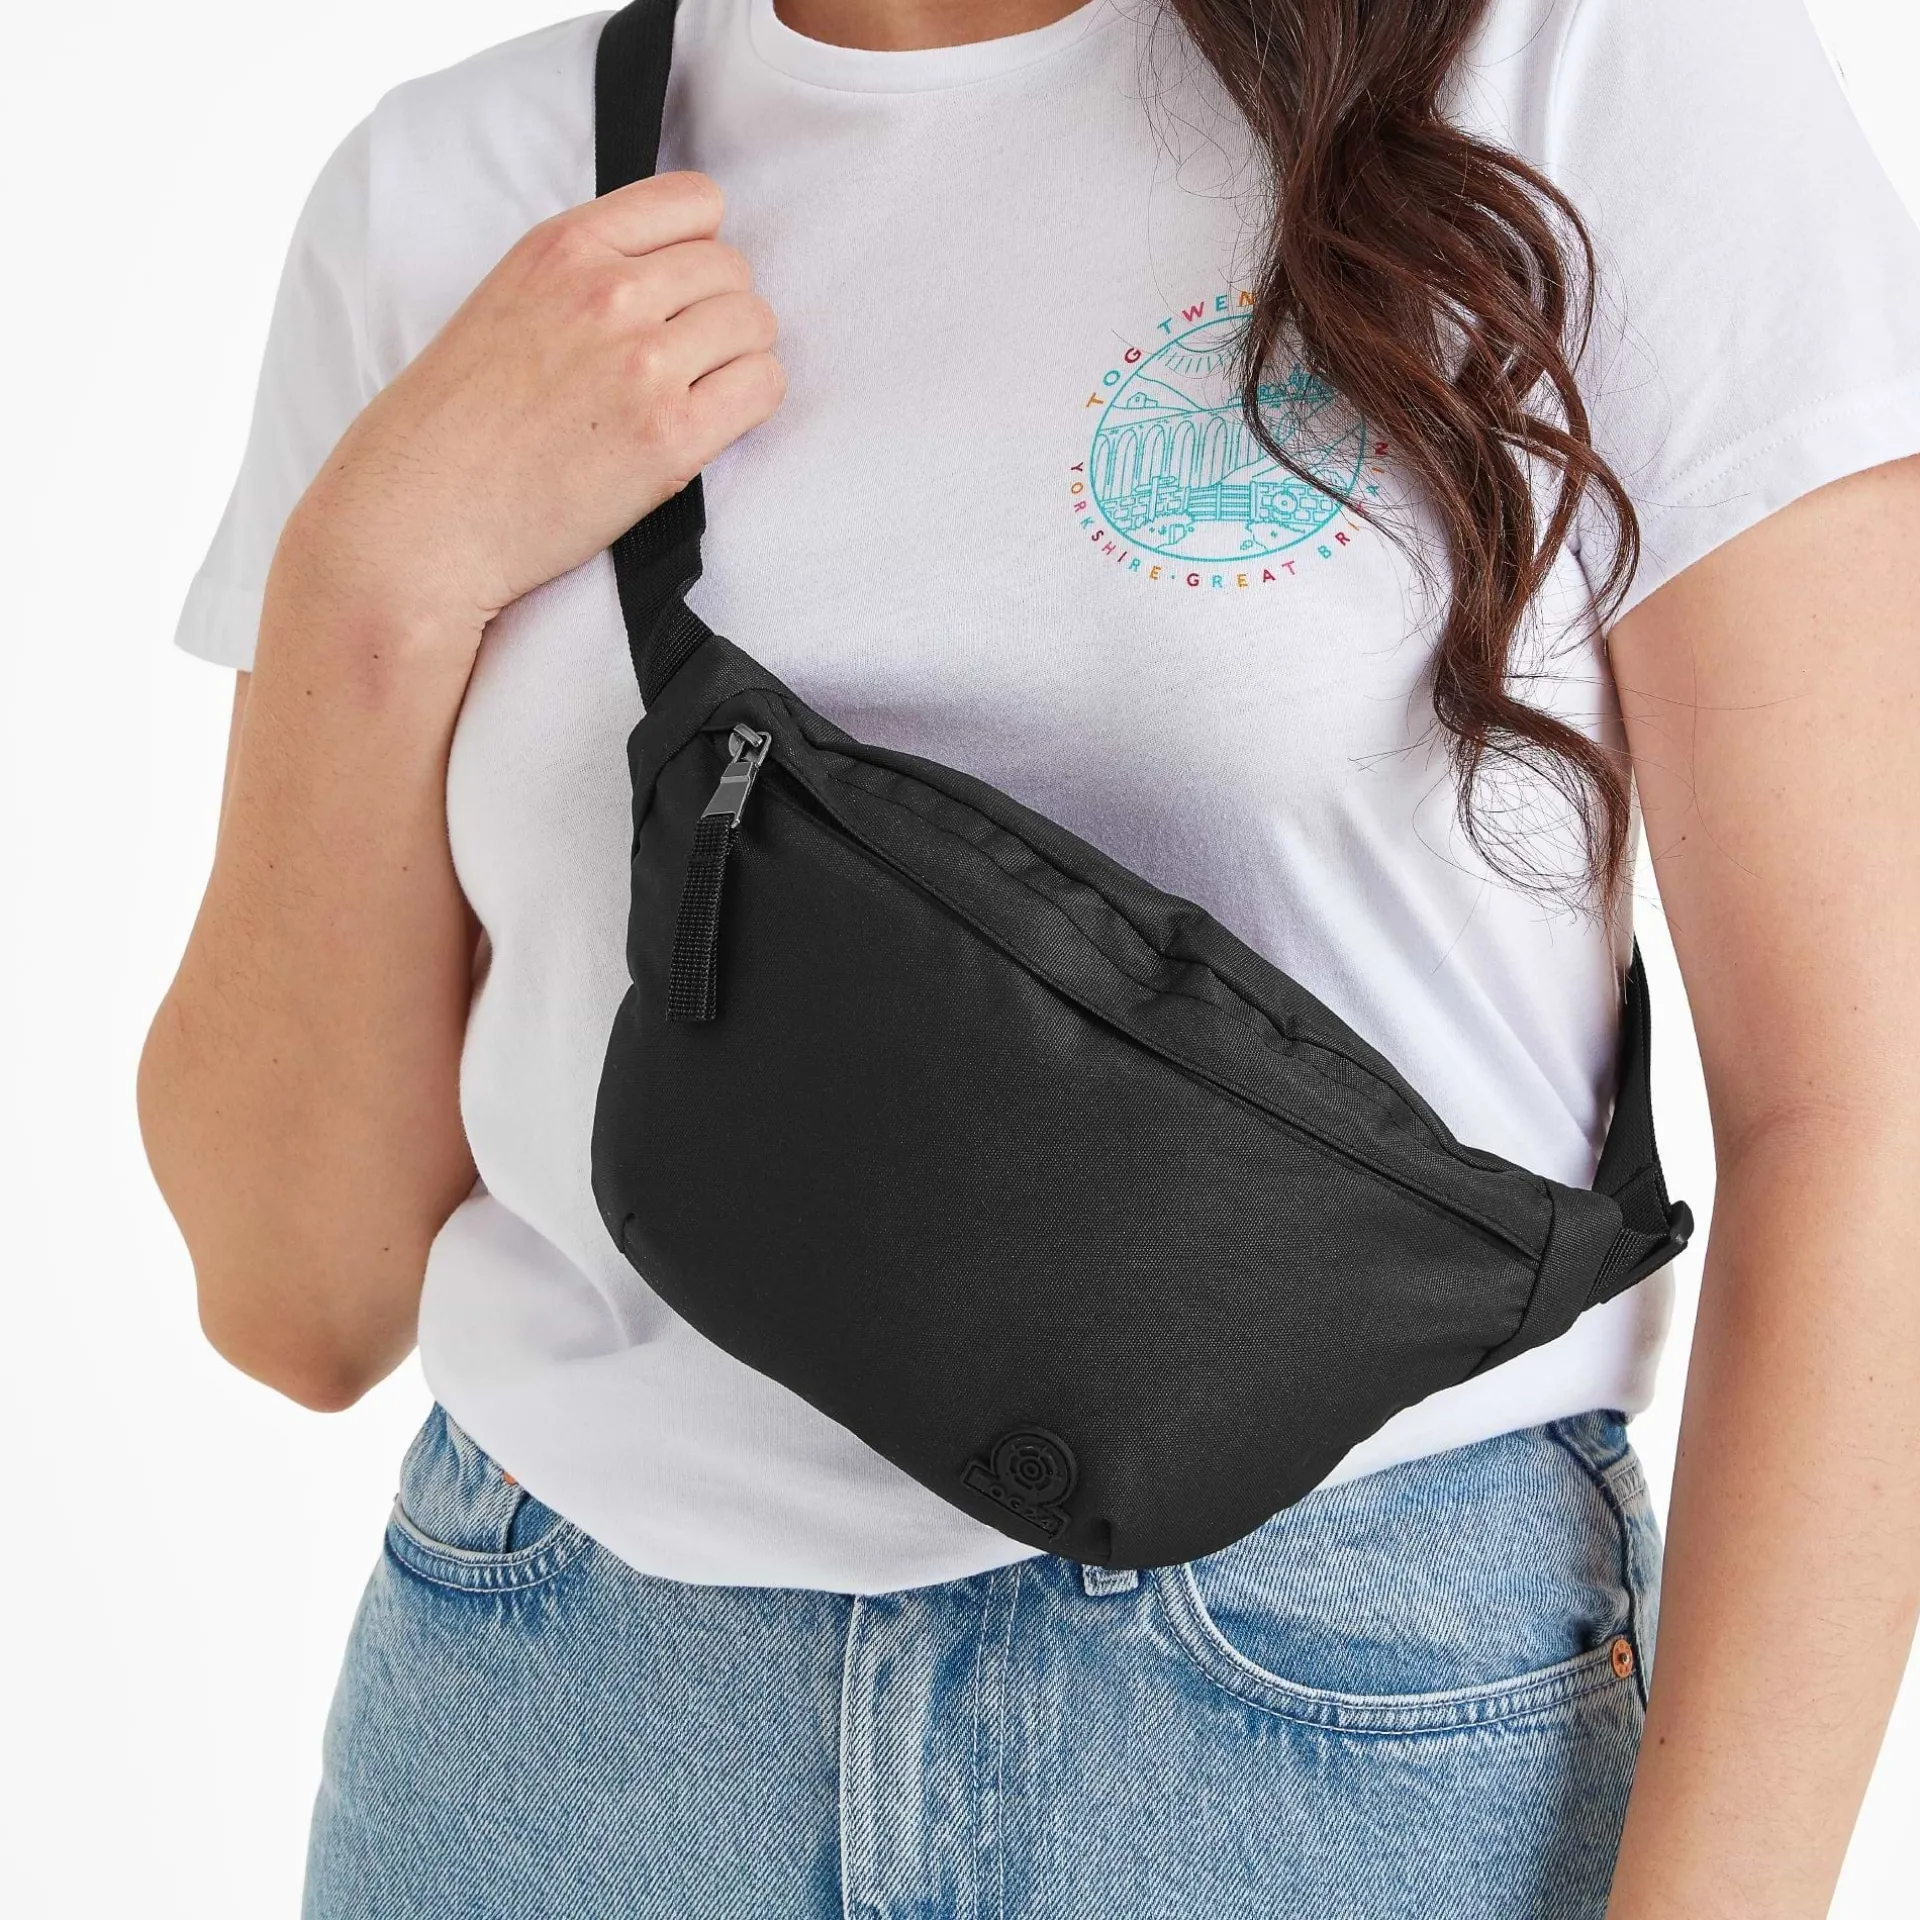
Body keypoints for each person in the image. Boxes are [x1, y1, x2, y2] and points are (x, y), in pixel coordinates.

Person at [138, 0, 1920, 1912]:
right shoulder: (457, 190)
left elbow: (1865, 1115)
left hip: (1349, 1723)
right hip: (558, 1731)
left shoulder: (1584, 65)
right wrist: (373, 574)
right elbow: (299, 1300)